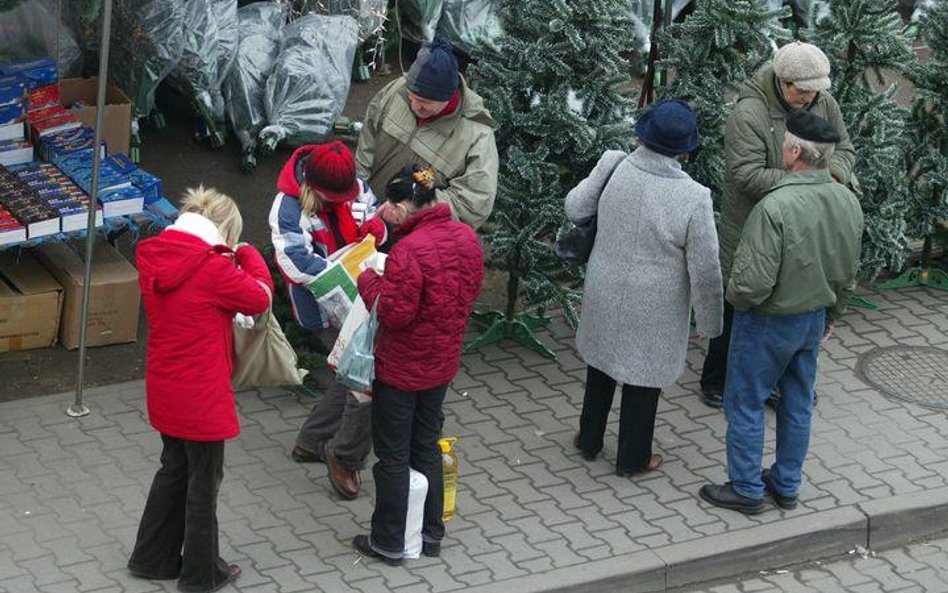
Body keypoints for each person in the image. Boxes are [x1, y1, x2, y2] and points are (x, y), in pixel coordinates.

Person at [699, 110, 864, 515]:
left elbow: (751, 285)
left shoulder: (774, 207)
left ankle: (746, 488)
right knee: (797, 403)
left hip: (767, 322)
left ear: (792, 151)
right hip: (813, 320)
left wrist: (734, 300)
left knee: (745, 403)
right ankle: (787, 484)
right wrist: (832, 316)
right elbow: (848, 272)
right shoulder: (847, 200)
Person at [565, 99, 723, 477]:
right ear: (687, 147)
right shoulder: (694, 197)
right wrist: (710, 323)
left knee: (601, 366)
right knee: (643, 380)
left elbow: (575, 208)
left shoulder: (613, 164)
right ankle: (633, 458)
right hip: (656, 305)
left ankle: (588, 440)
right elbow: (705, 268)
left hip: (605, 287)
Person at [128, 186, 273, 592]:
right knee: (204, 482)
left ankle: (151, 557)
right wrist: (246, 254)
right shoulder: (214, 269)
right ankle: (202, 574)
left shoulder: (155, 254)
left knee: (173, 468)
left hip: (165, 386)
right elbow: (259, 298)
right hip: (202, 395)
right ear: (224, 229)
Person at [698, 41, 856, 409]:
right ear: (783, 83)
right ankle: (716, 378)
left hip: (804, 224)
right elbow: (746, 175)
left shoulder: (823, 102)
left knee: (787, 303)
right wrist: (808, 185)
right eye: (802, 91)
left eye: (815, 90)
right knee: (738, 301)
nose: (809, 97)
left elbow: (845, 148)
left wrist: (833, 174)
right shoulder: (749, 114)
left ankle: (779, 383)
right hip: (752, 223)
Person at [351, 165, 484, 566]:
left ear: (405, 205)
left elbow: (395, 314)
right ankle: (431, 534)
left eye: (390, 204)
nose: (386, 211)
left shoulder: (409, 251)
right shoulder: (465, 237)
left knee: (392, 455)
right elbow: (469, 290)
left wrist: (368, 280)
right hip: (441, 364)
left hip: (401, 368)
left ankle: (389, 540)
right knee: (425, 444)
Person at [270, 141, 386, 500]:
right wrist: (346, 273)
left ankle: (313, 441)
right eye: (333, 197)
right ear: (313, 186)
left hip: (360, 297)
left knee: (349, 370)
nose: (343, 201)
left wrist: (375, 234)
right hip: (325, 309)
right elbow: (294, 262)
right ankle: (344, 456)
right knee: (361, 375)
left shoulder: (356, 188)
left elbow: (373, 222)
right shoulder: (287, 208)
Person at [355, 35, 498, 230]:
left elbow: (472, 205)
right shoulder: (397, 90)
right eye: (412, 97)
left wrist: (410, 206)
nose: (415, 106)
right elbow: (368, 138)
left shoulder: (477, 136)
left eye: (425, 103)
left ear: (450, 96)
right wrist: (357, 188)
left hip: (412, 238)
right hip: (365, 213)